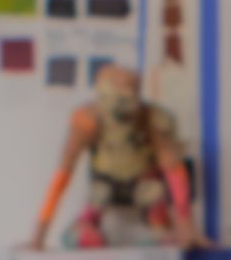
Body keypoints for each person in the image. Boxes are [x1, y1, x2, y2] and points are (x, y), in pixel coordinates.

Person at [31, 58, 195, 247]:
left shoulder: (151, 118)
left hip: (144, 186)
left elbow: (173, 168)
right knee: (91, 221)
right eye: (116, 97)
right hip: (104, 187)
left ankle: (160, 226)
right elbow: (63, 174)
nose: (122, 106)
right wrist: (39, 235)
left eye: (128, 95)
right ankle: (86, 224)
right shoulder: (88, 120)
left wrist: (186, 226)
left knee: (160, 221)